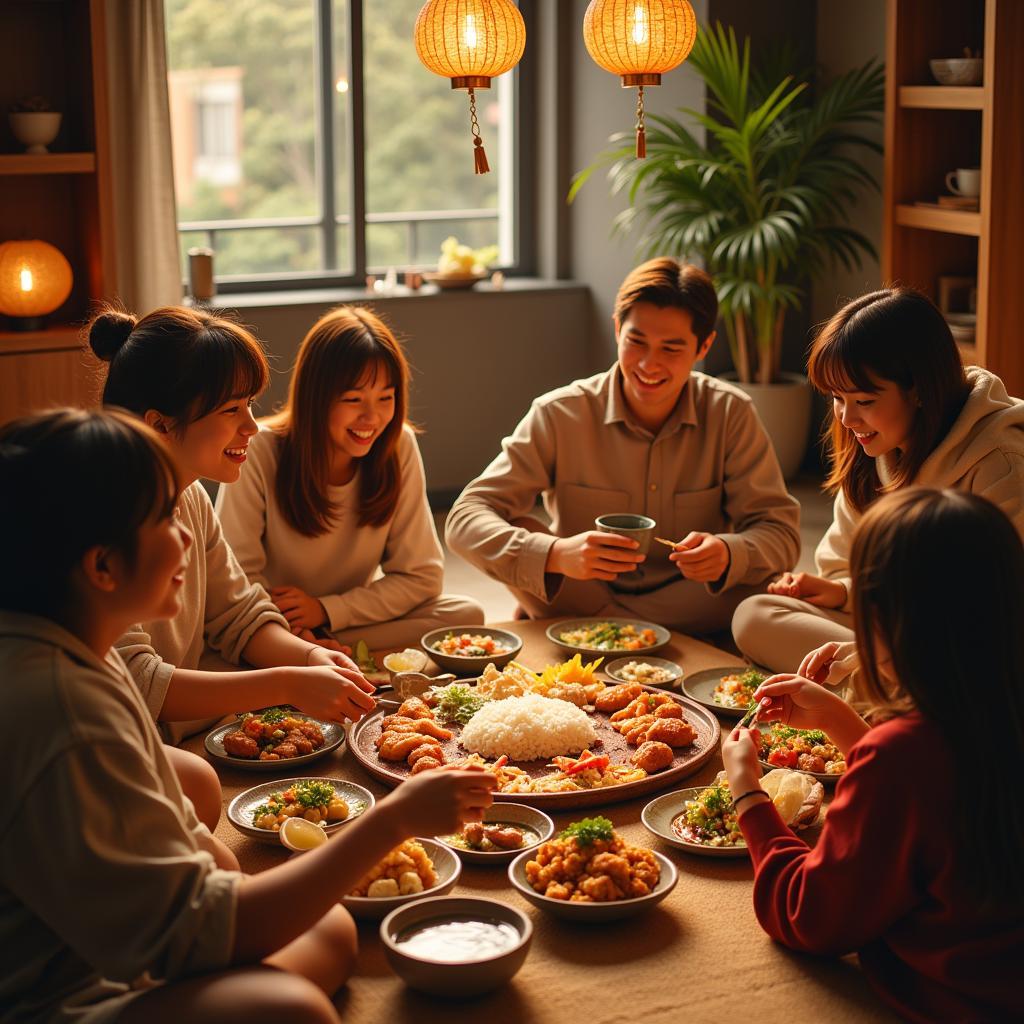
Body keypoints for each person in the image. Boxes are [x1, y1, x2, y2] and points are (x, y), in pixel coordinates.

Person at [0, 408, 496, 1023]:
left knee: (329, 930)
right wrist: (392, 820)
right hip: (51, 995)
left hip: (106, 939)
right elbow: (194, 935)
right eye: (162, 520)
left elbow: (209, 877)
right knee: (288, 1008)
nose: (183, 536)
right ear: (102, 566)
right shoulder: (63, 710)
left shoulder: (69, 649)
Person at [722, 488, 1024, 1022]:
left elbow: (808, 917)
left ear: (884, 616)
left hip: (967, 998)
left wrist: (748, 794)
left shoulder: (903, 753)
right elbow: (939, 797)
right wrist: (839, 721)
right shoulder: (983, 711)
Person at [88, 306, 376, 822]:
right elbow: (134, 679)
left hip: (169, 722)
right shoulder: (106, 516)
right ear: (159, 425)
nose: (253, 427)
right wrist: (288, 683)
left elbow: (237, 613)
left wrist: (306, 661)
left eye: (250, 405)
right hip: (104, 728)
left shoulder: (191, 496)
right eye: (231, 411)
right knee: (200, 784)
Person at [445, 258, 800, 632]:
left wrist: (729, 553)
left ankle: (590, 628)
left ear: (704, 346)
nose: (649, 364)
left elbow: (781, 534)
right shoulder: (560, 413)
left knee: (770, 590)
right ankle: (631, 631)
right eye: (637, 342)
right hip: (582, 592)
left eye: (671, 349)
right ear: (617, 329)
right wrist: (556, 555)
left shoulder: (731, 413)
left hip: (691, 597)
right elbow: (465, 517)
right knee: (520, 527)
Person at [733, 287, 1024, 673]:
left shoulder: (1001, 464)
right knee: (755, 615)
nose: (847, 419)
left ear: (919, 389)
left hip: (965, 653)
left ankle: (880, 695)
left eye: (864, 402)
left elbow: (995, 617)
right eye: (837, 398)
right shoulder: (877, 450)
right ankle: (879, 692)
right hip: (892, 642)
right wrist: (840, 593)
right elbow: (843, 566)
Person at [216, 305, 483, 650]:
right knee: (221, 636)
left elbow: (421, 577)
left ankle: (320, 646)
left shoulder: (398, 445)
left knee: (465, 614)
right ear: (316, 397)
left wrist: (327, 611)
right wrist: (289, 628)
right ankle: (305, 647)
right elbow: (235, 580)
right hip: (272, 619)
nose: (371, 417)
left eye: (386, 397)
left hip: (338, 619)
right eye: (354, 399)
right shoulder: (260, 448)